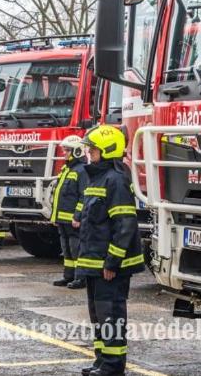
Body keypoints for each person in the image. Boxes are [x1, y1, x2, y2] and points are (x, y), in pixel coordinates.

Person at [75, 125, 143, 376]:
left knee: (111, 315)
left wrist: (112, 262)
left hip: (109, 266)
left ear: (107, 151)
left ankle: (113, 366)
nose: (88, 154)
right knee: (99, 316)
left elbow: (124, 225)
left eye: (92, 150)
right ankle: (102, 360)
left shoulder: (115, 180)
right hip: (95, 263)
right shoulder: (98, 177)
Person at [51, 135, 89, 289]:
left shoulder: (81, 171)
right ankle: (69, 276)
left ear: (77, 151)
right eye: (64, 150)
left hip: (73, 220)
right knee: (66, 248)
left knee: (76, 248)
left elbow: (83, 196)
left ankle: (81, 278)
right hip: (62, 219)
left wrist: (77, 216)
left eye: (67, 150)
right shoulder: (67, 169)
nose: (64, 153)